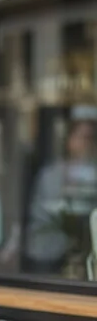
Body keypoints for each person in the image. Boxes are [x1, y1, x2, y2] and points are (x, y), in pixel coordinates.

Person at [25, 109, 97, 274]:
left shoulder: (93, 172)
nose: (87, 144)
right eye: (83, 137)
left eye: (91, 139)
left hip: (83, 253)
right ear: (70, 140)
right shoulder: (51, 174)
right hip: (47, 252)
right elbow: (43, 213)